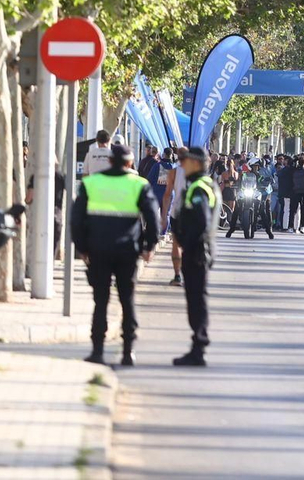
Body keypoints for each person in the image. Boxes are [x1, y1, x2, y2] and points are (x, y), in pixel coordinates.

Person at [69, 143, 158, 367]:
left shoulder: (91, 183)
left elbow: (76, 220)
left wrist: (82, 248)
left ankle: (97, 350)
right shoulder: (139, 184)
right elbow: (152, 218)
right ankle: (128, 351)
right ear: (130, 163)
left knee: (101, 301)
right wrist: (150, 246)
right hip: (128, 251)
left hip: (98, 250)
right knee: (127, 300)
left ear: (109, 161)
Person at [171, 146, 219, 367]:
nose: (181, 164)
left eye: (185, 161)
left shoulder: (199, 188)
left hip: (197, 252)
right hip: (199, 250)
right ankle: (197, 346)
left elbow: (201, 222)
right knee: (195, 299)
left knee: (197, 300)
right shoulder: (202, 185)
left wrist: (187, 242)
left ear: (197, 163)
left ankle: (198, 348)